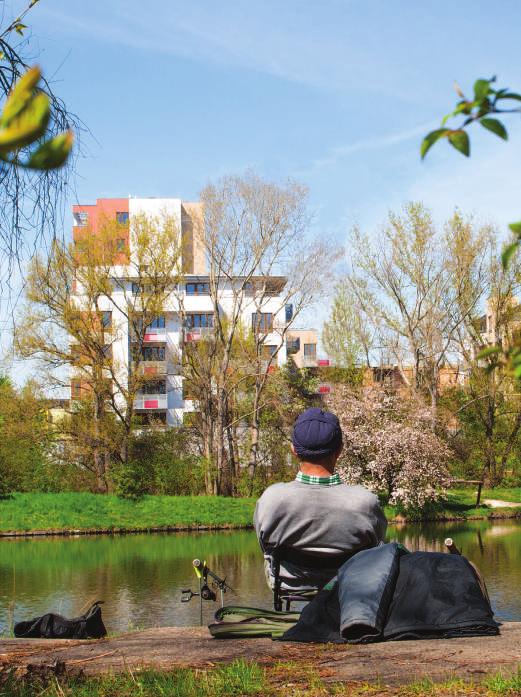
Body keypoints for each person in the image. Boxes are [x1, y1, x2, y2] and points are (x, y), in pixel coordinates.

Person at [254, 407, 387, 592]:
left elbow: (265, 547)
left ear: (293, 450)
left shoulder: (272, 499)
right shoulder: (365, 502)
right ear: (339, 450)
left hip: (288, 586)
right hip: (349, 589)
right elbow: (377, 548)